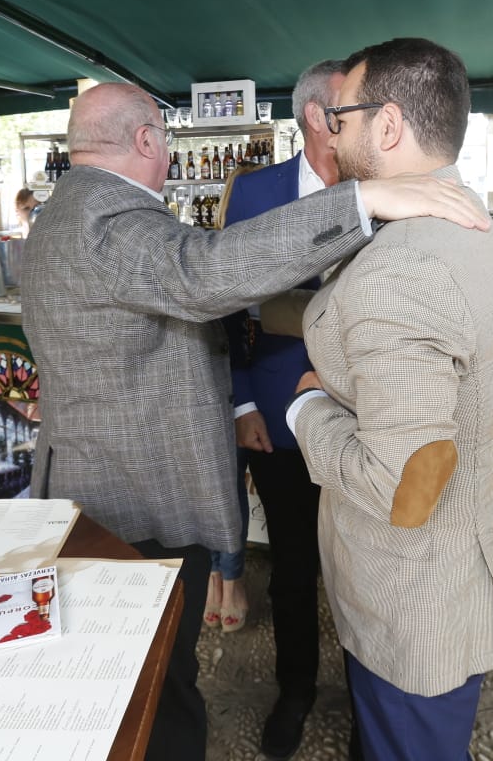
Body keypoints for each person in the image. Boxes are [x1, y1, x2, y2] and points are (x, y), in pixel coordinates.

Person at [19, 81, 490, 761]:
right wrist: (362, 201)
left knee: (142, 672)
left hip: (103, 477)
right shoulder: (108, 219)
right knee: (153, 688)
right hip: (133, 498)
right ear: (149, 141)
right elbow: (201, 273)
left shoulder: (69, 208)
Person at [286, 39, 493, 761]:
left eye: (340, 117)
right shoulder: (461, 216)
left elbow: (405, 486)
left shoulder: (404, 269)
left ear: (386, 126)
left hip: (421, 595)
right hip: (467, 557)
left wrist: (308, 409)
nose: (330, 132)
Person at [221, 60, 346, 758]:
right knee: (294, 568)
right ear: (317, 117)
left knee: (368, 571)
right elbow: (229, 308)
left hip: (366, 416)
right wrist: (242, 401)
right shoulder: (257, 193)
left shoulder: (386, 188)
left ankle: (371, 695)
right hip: (276, 412)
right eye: (352, 107)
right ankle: (294, 690)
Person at [203, 160, 262, 636]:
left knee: (230, 490)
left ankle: (230, 578)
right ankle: (221, 578)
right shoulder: (215, 257)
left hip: (265, 389)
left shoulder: (278, 254)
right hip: (222, 391)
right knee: (220, 491)